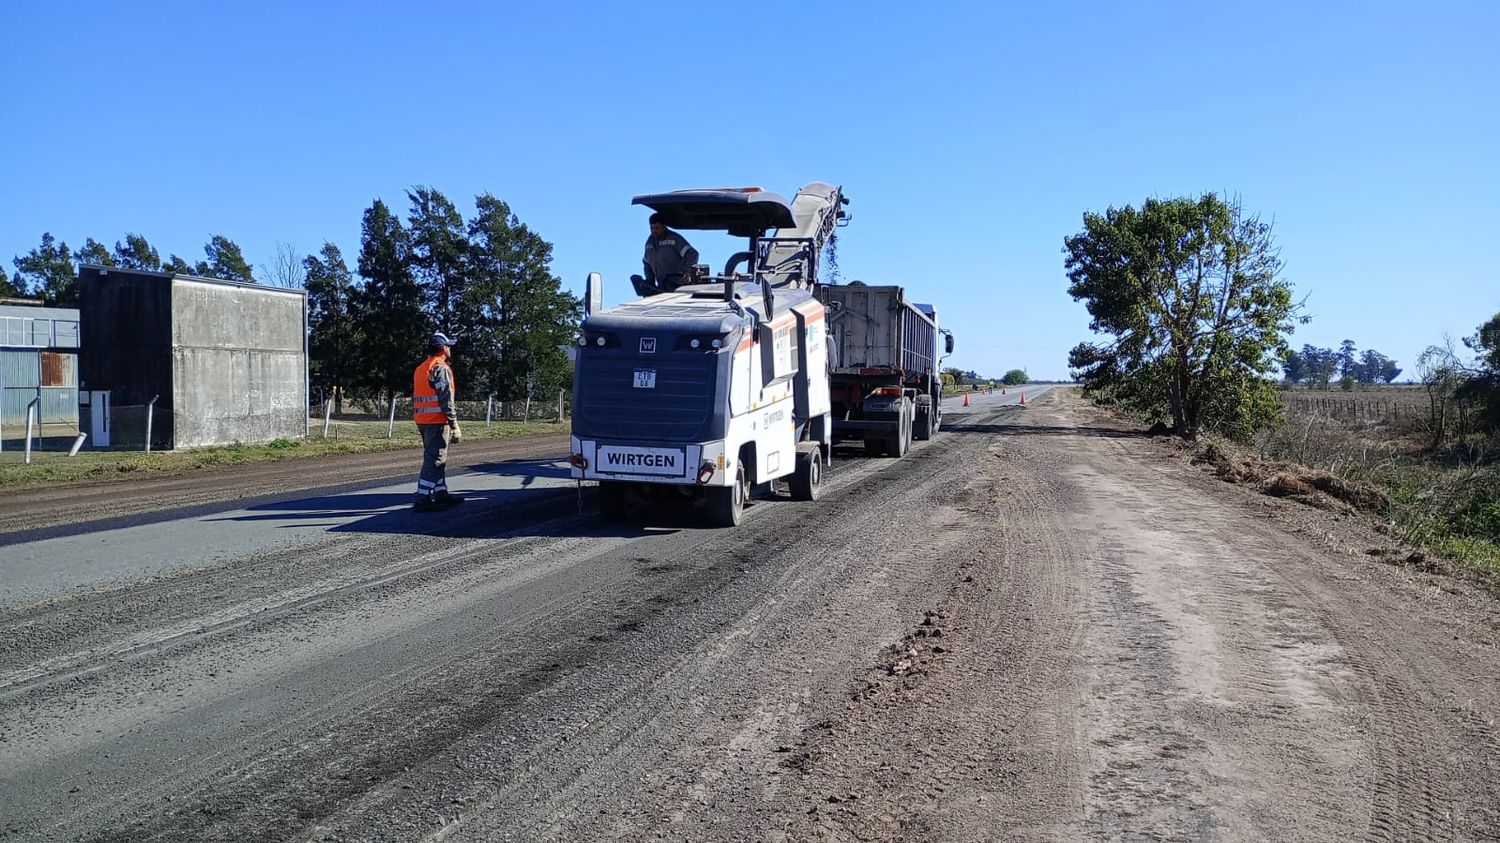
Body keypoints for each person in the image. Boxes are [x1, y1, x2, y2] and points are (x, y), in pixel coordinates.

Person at [412, 331, 464, 511]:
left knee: (437, 457)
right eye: (448, 346)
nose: (450, 349)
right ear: (443, 348)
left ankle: (441, 493)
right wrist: (454, 424)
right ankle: (423, 497)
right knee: (435, 459)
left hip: (423, 420)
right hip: (436, 421)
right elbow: (445, 400)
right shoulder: (440, 368)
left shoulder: (421, 368)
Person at [634, 212, 700, 296]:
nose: (654, 231)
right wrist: (650, 282)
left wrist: (687, 271)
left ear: (664, 226)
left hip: (679, 288)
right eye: (652, 228)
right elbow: (647, 263)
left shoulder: (674, 239)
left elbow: (692, 254)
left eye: (657, 228)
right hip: (661, 289)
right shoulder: (649, 243)